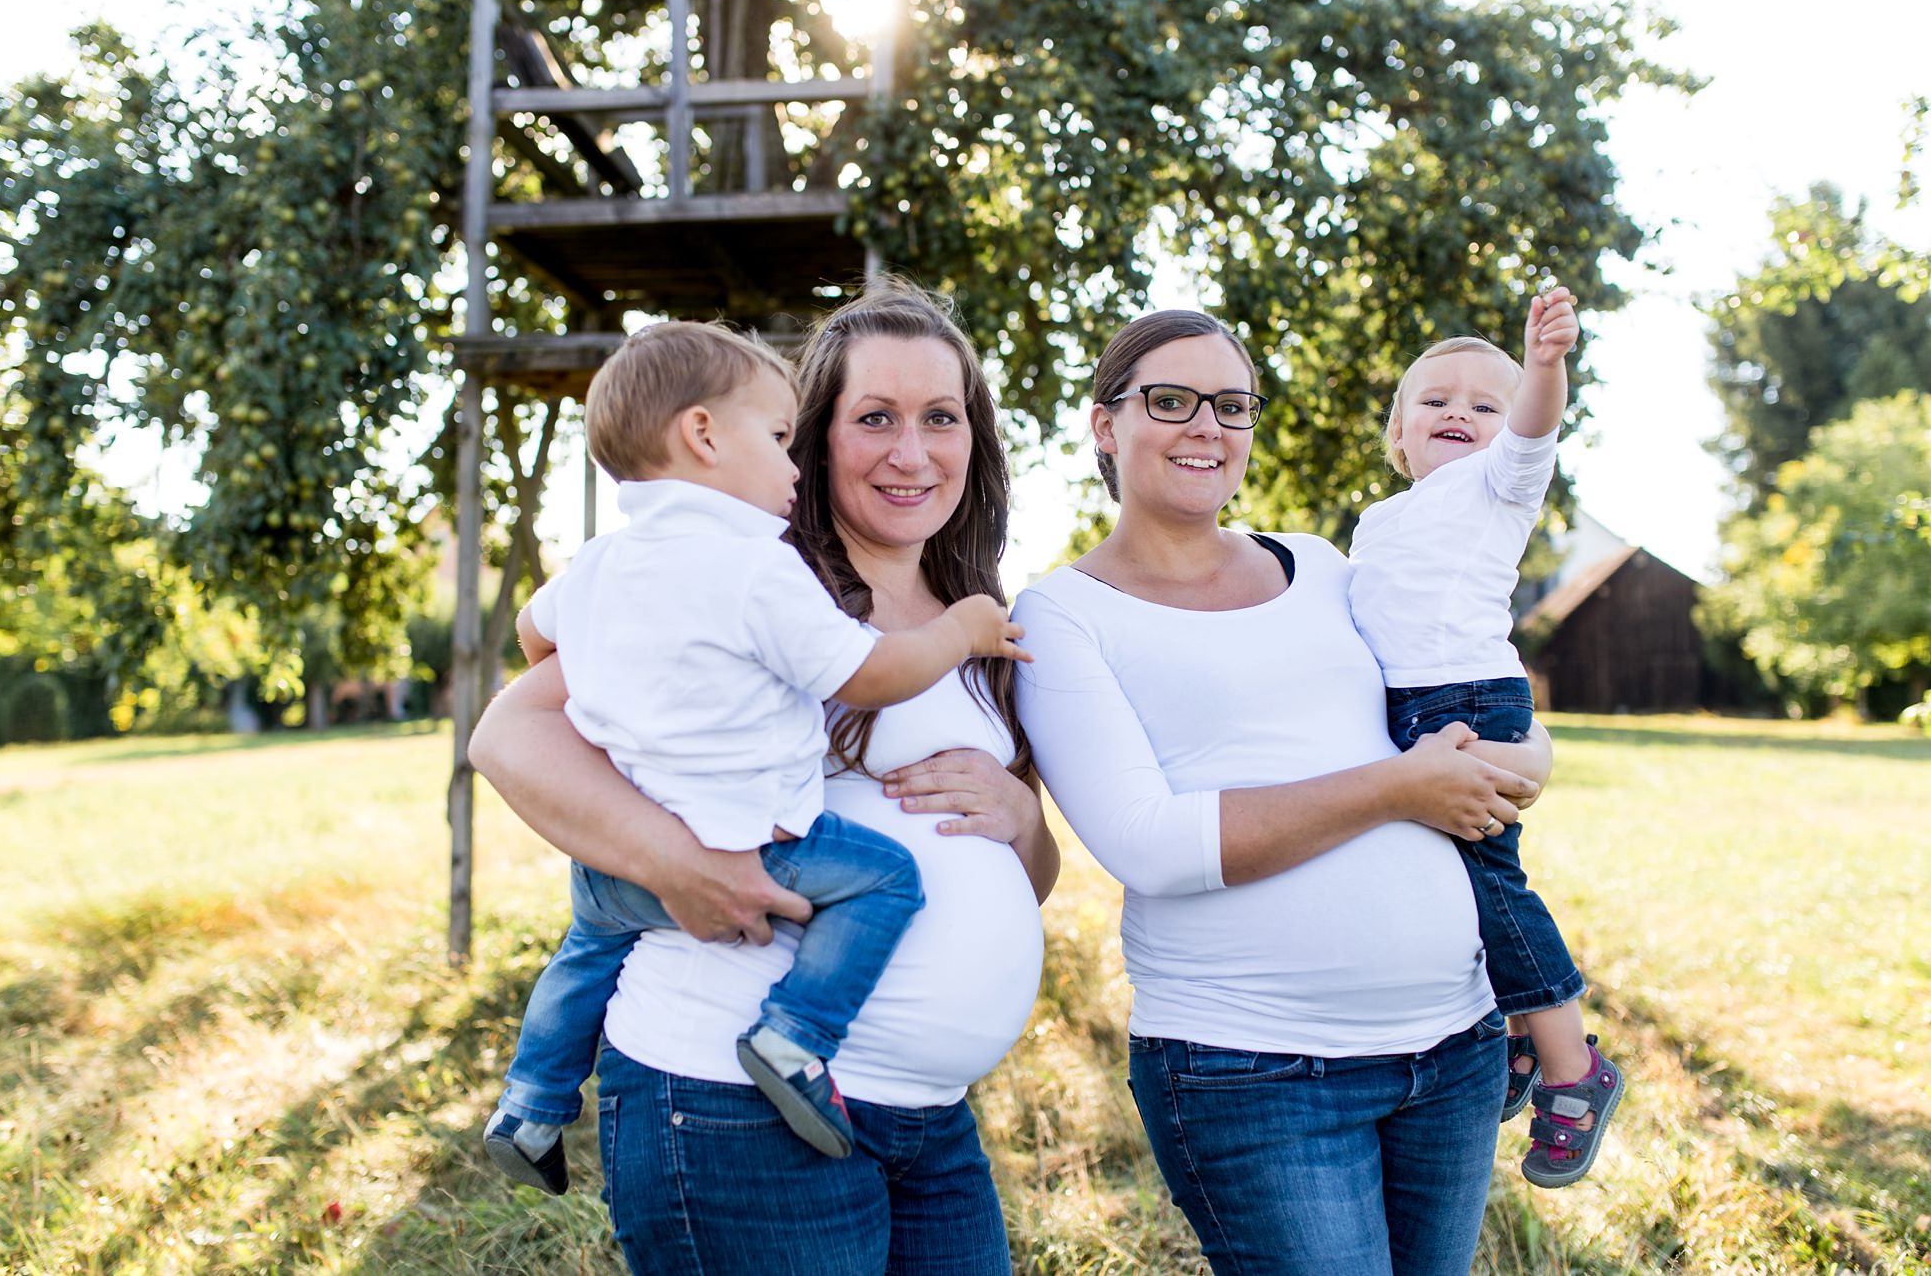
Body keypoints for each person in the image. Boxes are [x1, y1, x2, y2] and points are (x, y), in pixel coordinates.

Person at [468, 279, 1056, 1274]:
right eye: (874, 418)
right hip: (728, 1102)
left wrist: (1020, 819)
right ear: (810, 437)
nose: (910, 451)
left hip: (927, 1120)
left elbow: (1024, 873)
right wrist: (672, 860)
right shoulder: (736, 581)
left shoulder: (978, 617)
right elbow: (508, 734)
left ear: (973, 437)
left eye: (939, 417)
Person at [1013, 309, 1550, 1275]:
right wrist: (1399, 787)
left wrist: (1524, 758)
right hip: (1253, 1071)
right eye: (1170, 400)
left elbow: (1454, 698)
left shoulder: (1324, 565)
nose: (1205, 426)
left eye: (1232, 404)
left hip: (1456, 1047)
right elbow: (1150, 843)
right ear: (1105, 424)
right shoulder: (1062, 611)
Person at [1348, 287, 1623, 1188]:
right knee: (1451, 884)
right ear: (1398, 436)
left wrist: (1543, 366)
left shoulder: (1498, 483)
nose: (1458, 411)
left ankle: (1572, 1066)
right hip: (1409, 709)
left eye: (1482, 402)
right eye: (1434, 400)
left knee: (1492, 883)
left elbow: (1535, 427)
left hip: (1468, 695)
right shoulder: (1380, 521)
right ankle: (1509, 1037)